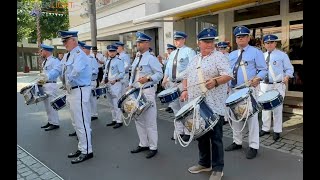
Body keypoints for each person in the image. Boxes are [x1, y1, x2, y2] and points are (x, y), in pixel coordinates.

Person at [180, 27, 232, 180]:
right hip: (197, 104)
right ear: (199, 43)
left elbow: (228, 75)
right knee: (201, 135)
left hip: (214, 104)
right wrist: (184, 90)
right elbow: (186, 76)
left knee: (216, 138)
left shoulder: (219, 57)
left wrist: (215, 81)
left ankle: (217, 168)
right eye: (206, 42)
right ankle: (204, 163)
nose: (209, 44)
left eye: (211, 41)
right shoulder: (195, 59)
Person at [41, 30, 93, 164]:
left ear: (74, 40)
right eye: (63, 41)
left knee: (81, 122)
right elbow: (58, 69)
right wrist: (47, 76)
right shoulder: (67, 56)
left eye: (66, 41)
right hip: (72, 91)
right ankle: (82, 147)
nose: (64, 44)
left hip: (79, 90)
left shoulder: (79, 55)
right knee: (76, 122)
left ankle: (87, 151)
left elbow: (76, 71)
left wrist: (66, 82)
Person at [224, 25, 267, 159]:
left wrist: (258, 78)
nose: (240, 38)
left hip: (248, 90)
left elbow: (263, 69)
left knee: (251, 118)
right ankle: (237, 141)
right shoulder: (231, 55)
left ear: (248, 38)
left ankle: (253, 145)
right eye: (238, 37)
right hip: (234, 90)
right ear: (236, 39)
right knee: (236, 117)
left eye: (243, 36)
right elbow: (228, 72)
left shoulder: (256, 52)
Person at [129, 31, 163, 159]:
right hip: (136, 92)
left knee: (150, 121)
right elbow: (133, 74)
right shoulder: (137, 57)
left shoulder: (151, 58)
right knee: (138, 119)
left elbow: (159, 74)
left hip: (147, 91)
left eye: (141, 42)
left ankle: (153, 147)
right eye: (137, 41)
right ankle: (143, 143)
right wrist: (130, 84)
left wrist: (148, 78)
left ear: (147, 43)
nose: (138, 43)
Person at [259, 34, 294, 141]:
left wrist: (287, 76)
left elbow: (289, 68)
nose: (269, 44)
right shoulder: (261, 56)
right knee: (265, 108)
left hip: (277, 85)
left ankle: (277, 130)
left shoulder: (282, 55)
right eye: (267, 43)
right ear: (264, 44)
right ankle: (265, 128)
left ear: (275, 43)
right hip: (264, 85)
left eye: (272, 42)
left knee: (277, 108)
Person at [162, 31, 196, 141]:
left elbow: (192, 68)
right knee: (175, 108)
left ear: (184, 39)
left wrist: (187, 85)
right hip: (172, 84)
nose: (177, 41)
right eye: (175, 40)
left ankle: (188, 132)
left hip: (183, 83)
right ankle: (179, 131)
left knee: (185, 108)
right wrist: (164, 78)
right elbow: (167, 68)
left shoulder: (189, 51)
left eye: (179, 39)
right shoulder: (172, 53)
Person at [38, 44, 61, 131]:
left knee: (52, 105)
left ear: (46, 51)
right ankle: (50, 121)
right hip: (45, 84)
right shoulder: (45, 61)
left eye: (42, 50)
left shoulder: (54, 60)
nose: (41, 52)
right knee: (47, 105)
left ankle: (55, 123)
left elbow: (58, 71)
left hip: (51, 84)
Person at [103, 44, 125, 129]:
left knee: (116, 103)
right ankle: (114, 119)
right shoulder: (108, 61)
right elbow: (106, 72)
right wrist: (103, 79)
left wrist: (116, 79)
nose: (111, 53)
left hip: (115, 84)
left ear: (116, 52)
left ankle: (119, 121)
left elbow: (122, 73)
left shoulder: (119, 61)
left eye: (113, 51)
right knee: (111, 104)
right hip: (108, 84)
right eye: (110, 51)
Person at [79, 42, 99, 121]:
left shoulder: (91, 59)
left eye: (83, 49)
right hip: (85, 82)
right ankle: (89, 113)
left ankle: (94, 114)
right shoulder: (82, 59)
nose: (82, 50)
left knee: (92, 98)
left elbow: (95, 70)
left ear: (87, 50)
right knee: (86, 99)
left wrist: (87, 73)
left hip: (91, 81)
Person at [157, 44, 177, 113]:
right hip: (168, 78)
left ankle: (172, 107)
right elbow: (166, 68)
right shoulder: (169, 57)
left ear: (173, 50)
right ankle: (170, 106)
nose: (168, 51)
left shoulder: (174, 57)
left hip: (174, 78)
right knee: (169, 92)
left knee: (173, 93)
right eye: (168, 50)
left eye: (169, 49)